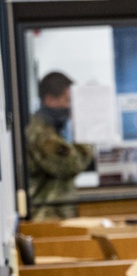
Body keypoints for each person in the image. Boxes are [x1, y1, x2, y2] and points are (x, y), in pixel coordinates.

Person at [25, 71, 93, 220]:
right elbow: (72, 163)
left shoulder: (49, 128)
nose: (70, 107)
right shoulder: (40, 133)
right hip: (45, 218)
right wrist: (86, 132)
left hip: (53, 216)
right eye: (67, 100)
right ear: (50, 100)